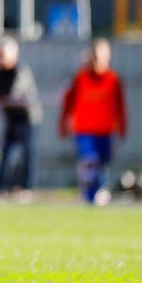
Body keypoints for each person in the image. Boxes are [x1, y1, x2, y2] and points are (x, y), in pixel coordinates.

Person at [60, 37, 125, 205]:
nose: (98, 61)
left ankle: (99, 191)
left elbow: (120, 105)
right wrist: (63, 123)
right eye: (96, 56)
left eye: (102, 57)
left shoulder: (113, 79)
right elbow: (68, 101)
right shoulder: (81, 78)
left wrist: (122, 126)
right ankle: (90, 195)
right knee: (89, 163)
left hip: (105, 130)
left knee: (103, 163)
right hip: (85, 130)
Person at [0, 36, 42, 199]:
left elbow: (13, 94)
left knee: (27, 155)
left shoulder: (21, 71)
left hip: (27, 119)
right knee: (6, 154)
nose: (0, 58)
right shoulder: (0, 73)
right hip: (12, 119)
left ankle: (27, 188)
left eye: (2, 54)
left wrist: (1, 97)